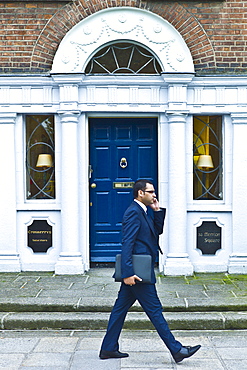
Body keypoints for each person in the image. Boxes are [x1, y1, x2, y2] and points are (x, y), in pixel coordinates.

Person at [99, 179, 201, 363]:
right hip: (138, 273)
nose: (154, 195)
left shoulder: (143, 211)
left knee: (119, 310)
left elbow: (156, 232)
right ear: (140, 193)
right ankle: (177, 350)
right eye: (151, 192)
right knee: (155, 311)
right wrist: (127, 273)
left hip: (140, 270)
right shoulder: (133, 212)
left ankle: (108, 348)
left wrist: (157, 211)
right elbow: (127, 243)